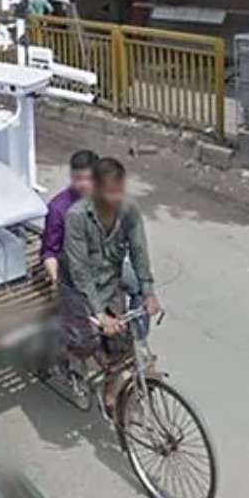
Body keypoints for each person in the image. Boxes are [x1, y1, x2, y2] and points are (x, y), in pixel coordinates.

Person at [58, 157, 161, 413]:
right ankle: (73, 367)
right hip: (77, 290)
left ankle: (111, 384)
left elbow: (139, 252)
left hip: (109, 282)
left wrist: (148, 291)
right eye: (109, 192)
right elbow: (80, 272)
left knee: (120, 341)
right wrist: (99, 313)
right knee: (87, 343)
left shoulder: (129, 211)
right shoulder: (77, 217)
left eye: (119, 190)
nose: (115, 198)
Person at [41, 150, 98, 285]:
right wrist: (56, 278)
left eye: (89, 178)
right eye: (78, 178)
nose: (83, 184)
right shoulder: (58, 208)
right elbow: (50, 252)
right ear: (71, 176)